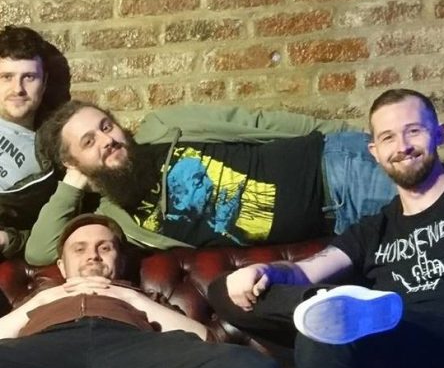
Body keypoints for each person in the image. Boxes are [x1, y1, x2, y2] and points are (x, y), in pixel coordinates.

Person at [208, 88, 444, 368]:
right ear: (375, 152)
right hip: (379, 341)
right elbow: (305, 270)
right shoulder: (373, 229)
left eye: (414, 131)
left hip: (433, 329)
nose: (403, 146)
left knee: (332, 328)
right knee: (225, 290)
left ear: (438, 134)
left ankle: (341, 312)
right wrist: (264, 270)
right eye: (388, 137)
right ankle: (330, 307)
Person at [0, 212, 278, 368]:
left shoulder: (145, 297)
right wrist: (46, 298)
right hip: (47, 353)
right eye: (79, 249)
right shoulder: (40, 297)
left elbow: (206, 339)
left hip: (131, 353)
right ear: (61, 266)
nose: (92, 255)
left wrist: (128, 296)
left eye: (104, 247)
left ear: (120, 260)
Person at [25, 100, 396, 265]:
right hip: (337, 224)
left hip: (338, 169)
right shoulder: (117, 221)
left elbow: (256, 122)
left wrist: (348, 134)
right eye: (88, 142)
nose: (107, 140)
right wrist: (74, 181)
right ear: (73, 162)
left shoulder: (163, 126)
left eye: (106, 126)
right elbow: (39, 252)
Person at [0, 25, 66, 259]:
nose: (18, 89)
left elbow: (47, 235)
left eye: (29, 77)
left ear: (44, 83)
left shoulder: (53, 154)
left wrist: (8, 240)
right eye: (6, 77)